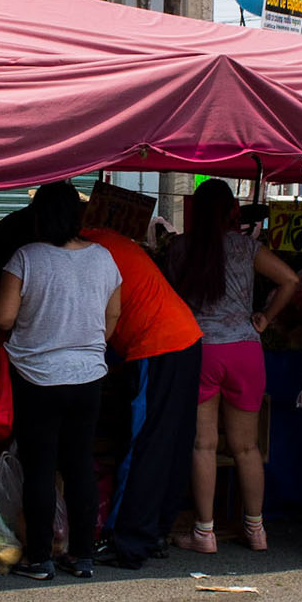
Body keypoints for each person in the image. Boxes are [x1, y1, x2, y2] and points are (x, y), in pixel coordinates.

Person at [0, 182, 122, 580]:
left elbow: (2, 318)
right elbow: (113, 314)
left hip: (37, 377)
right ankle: (82, 556)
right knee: (80, 464)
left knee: (41, 468)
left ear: (39, 217)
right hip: (88, 377)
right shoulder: (103, 258)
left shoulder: (26, 258)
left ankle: (40, 558)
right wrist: (86, 345)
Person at [163, 179, 299, 553]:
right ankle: (256, 531)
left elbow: (171, 295)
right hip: (244, 349)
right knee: (247, 447)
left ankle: (204, 533)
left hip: (200, 348)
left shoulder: (179, 248)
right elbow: (290, 279)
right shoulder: (247, 247)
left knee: (203, 444)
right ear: (232, 212)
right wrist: (265, 318)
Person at [79, 225, 203, 570]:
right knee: (171, 442)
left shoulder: (91, 251)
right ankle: (154, 531)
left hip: (157, 344)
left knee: (144, 443)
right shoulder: (110, 239)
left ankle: (129, 539)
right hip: (185, 338)